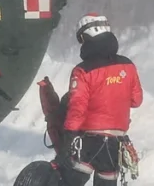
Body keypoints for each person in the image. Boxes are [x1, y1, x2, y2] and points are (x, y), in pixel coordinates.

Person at [54, 13, 143, 186]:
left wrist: (68, 137)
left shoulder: (82, 71)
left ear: (87, 37)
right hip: (115, 145)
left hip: (88, 143)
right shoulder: (128, 65)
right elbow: (136, 100)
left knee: (68, 181)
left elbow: (77, 108)